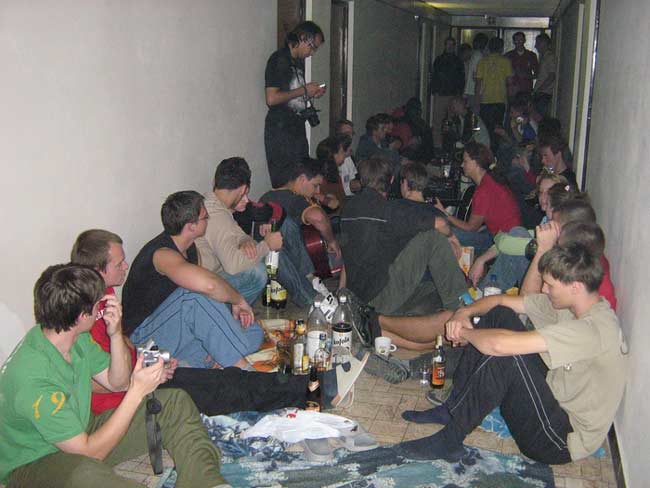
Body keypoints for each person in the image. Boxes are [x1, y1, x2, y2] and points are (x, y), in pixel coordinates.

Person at [70, 229, 366, 417]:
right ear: (97, 269)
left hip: (145, 370)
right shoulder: (81, 317)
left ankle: (318, 388)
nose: (125, 265)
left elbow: (121, 349)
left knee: (226, 379)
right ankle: (319, 389)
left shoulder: (104, 297)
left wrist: (152, 360)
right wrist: (144, 372)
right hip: (131, 398)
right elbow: (104, 382)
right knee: (228, 387)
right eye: (119, 263)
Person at [396, 243, 628, 464]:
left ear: (575, 287)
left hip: (558, 440)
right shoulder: (574, 306)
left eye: (550, 285)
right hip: (552, 400)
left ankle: (449, 440)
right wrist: (462, 314)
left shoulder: (591, 331)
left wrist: (465, 333)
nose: (544, 290)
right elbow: (500, 301)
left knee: (508, 357)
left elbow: (498, 345)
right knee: (500, 314)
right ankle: (453, 409)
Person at [0, 263, 228, 487]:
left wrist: (115, 333)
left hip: (80, 427)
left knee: (173, 402)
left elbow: (117, 383)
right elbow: (90, 453)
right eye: (97, 305)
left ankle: (207, 482)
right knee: (86, 473)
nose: (101, 309)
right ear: (81, 316)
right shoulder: (34, 381)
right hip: (33, 461)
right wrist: (137, 392)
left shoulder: (72, 337)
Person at [122, 191, 263, 370]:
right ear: (191, 226)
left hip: (176, 332)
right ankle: (242, 369)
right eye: (205, 217)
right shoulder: (162, 253)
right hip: (143, 345)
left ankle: (197, 363)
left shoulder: (190, 248)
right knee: (193, 295)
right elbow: (209, 285)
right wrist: (238, 300)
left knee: (253, 330)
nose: (208, 219)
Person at [341, 157, 468, 318]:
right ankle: (462, 310)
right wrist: (452, 237)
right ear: (391, 180)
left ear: (362, 180)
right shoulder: (389, 210)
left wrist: (342, 296)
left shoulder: (348, 209)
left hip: (357, 296)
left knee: (434, 288)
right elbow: (440, 223)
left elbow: (348, 254)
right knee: (432, 236)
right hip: (378, 298)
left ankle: (415, 313)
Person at [195, 157, 283, 305]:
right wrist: (267, 245)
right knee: (257, 273)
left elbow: (236, 231)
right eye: (245, 194)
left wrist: (245, 239)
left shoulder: (215, 203)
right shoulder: (215, 213)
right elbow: (233, 266)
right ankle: (234, 314)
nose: (247, 200)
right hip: (207, 284)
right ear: (242, 189)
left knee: (263, 250)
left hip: (214, 273)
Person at [264, 21, 326, 188]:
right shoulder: (279, 59)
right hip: (281, 131)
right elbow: (271, 99)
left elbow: (293, 96)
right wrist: (303, 90)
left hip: (296, 129)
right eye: (312, 47)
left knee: (303, 177)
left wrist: (310, 93)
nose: (312, 53)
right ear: (303, 38)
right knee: (287, 183)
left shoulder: (297, 63)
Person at [435, 142, 521, 256]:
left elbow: (471, 228)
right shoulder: (490, 180)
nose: (462, 165)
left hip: (502, 241)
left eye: (465, 161)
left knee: (445, 231)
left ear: (476, 163)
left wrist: (445, 214)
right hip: (505, 234)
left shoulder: (483, 190)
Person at [260, 158, 342, 263]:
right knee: (343, 257)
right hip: (286, 262)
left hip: (274, 258)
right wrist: (332, 241)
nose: (317, 190)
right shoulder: (294, 199)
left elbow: (334, 204)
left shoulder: (269, 196)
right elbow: (319, 217)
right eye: (315, 185)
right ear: (302, 179)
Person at [476, 37, 513, 146]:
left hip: (485, 100)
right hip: (500, 100)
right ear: (501, 48)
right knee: (498, 128)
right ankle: (495, 150)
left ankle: (486, 149)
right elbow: (510, 82)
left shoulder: (482, 61)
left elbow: (478, 83)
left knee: (485, 128)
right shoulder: (506, 61)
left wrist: (477, 100)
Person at [430, 37, 465, 148]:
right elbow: (434, 76)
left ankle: (451, 144)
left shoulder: (458, 61)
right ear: (445, 46)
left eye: (451, 45)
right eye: (447, 44)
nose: (449, 47)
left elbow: (461, 79)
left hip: (452, 96)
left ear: (454, 46)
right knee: (437, 121)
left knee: (452, 121)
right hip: (440, 94)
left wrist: (459, 95)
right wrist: (435, 90)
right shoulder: (439, 60)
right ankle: (437, 145)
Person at [316, 134, 353, 205]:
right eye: (342, 151)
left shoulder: (333, 173)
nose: (345, 154)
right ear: (334, 154)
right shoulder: (322, 178)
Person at [505, 32, 539, 100]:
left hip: (526, 90)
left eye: (521, 40)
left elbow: (537, 74)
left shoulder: (531, 55)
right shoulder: (508, 56)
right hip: (512, 91)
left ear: (524, 40)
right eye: (516, 40)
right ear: (513, 42)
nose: (519, 42)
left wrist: (526, 75)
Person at [333, 119, 361, 195]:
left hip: (351, 197)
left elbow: (352, 181)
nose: (350, 137)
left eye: (352, 134)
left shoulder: (349, 157)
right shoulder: (333, 156)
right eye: (347, 134)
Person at [463, 33, 488, 114]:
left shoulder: (475, 54)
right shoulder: (479, 56)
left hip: (472, 90)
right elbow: (476, 76)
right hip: (475, 91)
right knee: (476, 114)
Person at [533, 33, 556, 117]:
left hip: (544, 93)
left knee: (539, 117)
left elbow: (552, 76)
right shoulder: (544, 57)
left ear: (544, 43)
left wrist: (540, 89)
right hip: (541, 93)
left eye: (538, 43)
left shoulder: (549, 57)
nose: (535, 46)